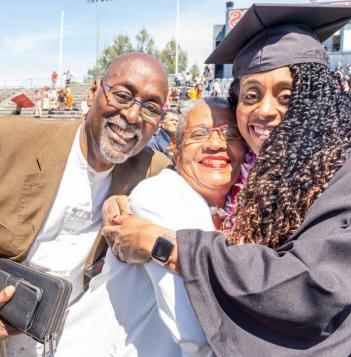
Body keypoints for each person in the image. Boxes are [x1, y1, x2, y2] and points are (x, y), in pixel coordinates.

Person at [100, 4, 351, 356]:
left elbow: (309, 290)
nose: (265, 110)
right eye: (251, 95)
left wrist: (168, 246)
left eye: (286, 95)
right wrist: (126, 197)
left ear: (315, 99)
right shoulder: (265, 176)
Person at [0, 52, 170, 357]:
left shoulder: (155, 173)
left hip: (69, 340)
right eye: (122, 95)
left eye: (150, 108)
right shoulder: (10, 141)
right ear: (93, 92)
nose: (132, 116)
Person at [54, 97, 245, 357]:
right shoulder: (161, 196)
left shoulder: (242, 214)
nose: (215, 144)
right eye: (199, 134)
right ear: (175, 150)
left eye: (231, 134)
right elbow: (200, 331)